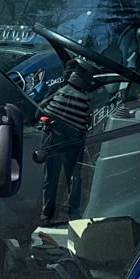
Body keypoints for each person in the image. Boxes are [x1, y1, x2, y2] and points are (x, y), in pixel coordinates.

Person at [37, 60, 95, 223]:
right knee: (56, 176)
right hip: (56, 136)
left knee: (72, 175)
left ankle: (71, 211)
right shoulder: (57, 90)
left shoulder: (86, 95)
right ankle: (49, 213)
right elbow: (40, 111)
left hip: (70, 138)